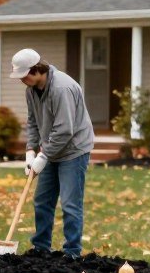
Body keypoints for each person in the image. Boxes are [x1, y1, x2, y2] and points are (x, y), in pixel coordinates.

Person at [10, 48, 95, 258]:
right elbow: (33, 122)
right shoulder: (31, 90)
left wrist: (43, 155)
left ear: (37, 69)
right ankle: (41, 248)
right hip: (50, 150)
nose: (22, 80)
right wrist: (30, 151)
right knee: (42, 200)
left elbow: (65, 129)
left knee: (70, 204)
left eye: (24, 75)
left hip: (73, 151)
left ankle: (72, 252)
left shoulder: (62, 88)